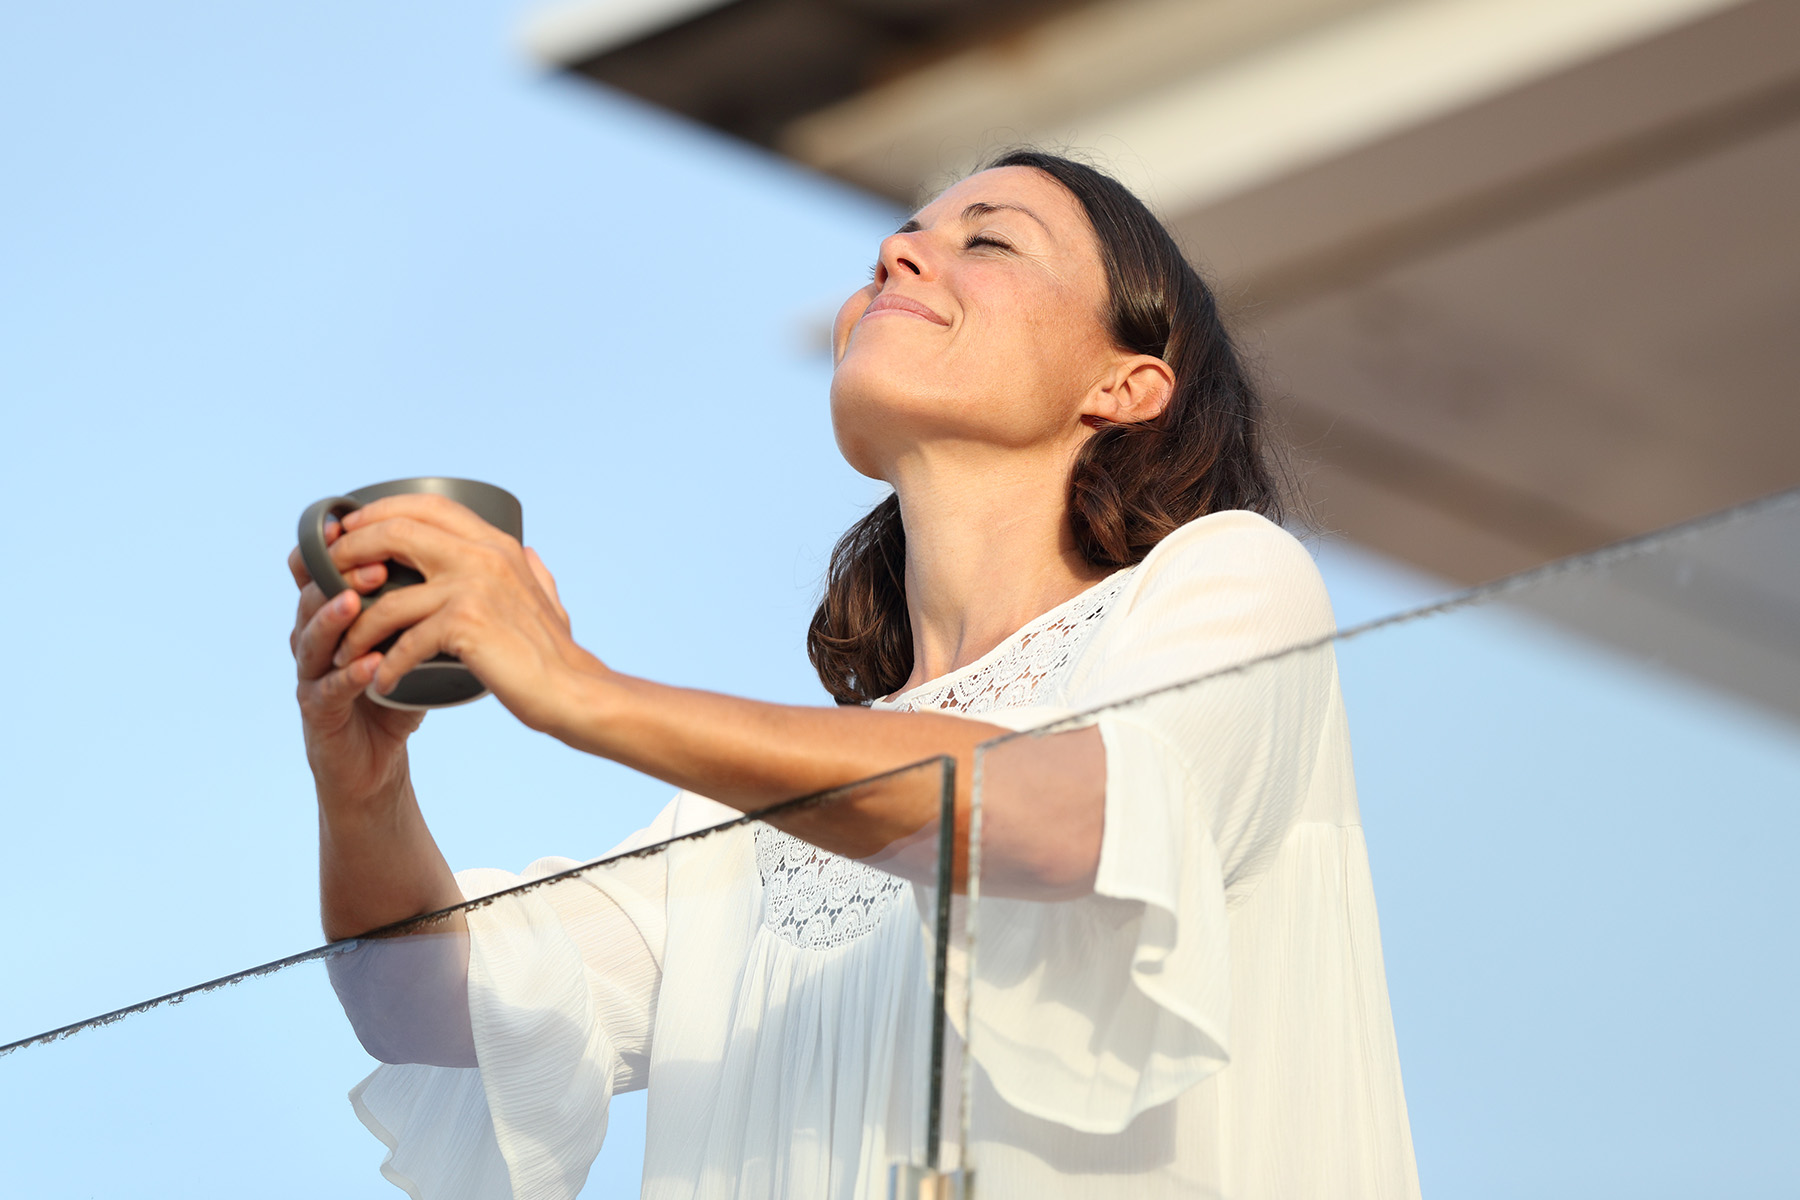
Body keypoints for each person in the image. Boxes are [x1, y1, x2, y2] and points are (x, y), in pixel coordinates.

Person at [290, 150, 1420, 1200]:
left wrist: (578, 688)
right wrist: (362, 782)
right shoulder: (741, 823)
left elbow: (1078, 813)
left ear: (1128, 384)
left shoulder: (1227, 583)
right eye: (899, 237)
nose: (898, 255)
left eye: (992, 239)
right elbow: (423, 1005)